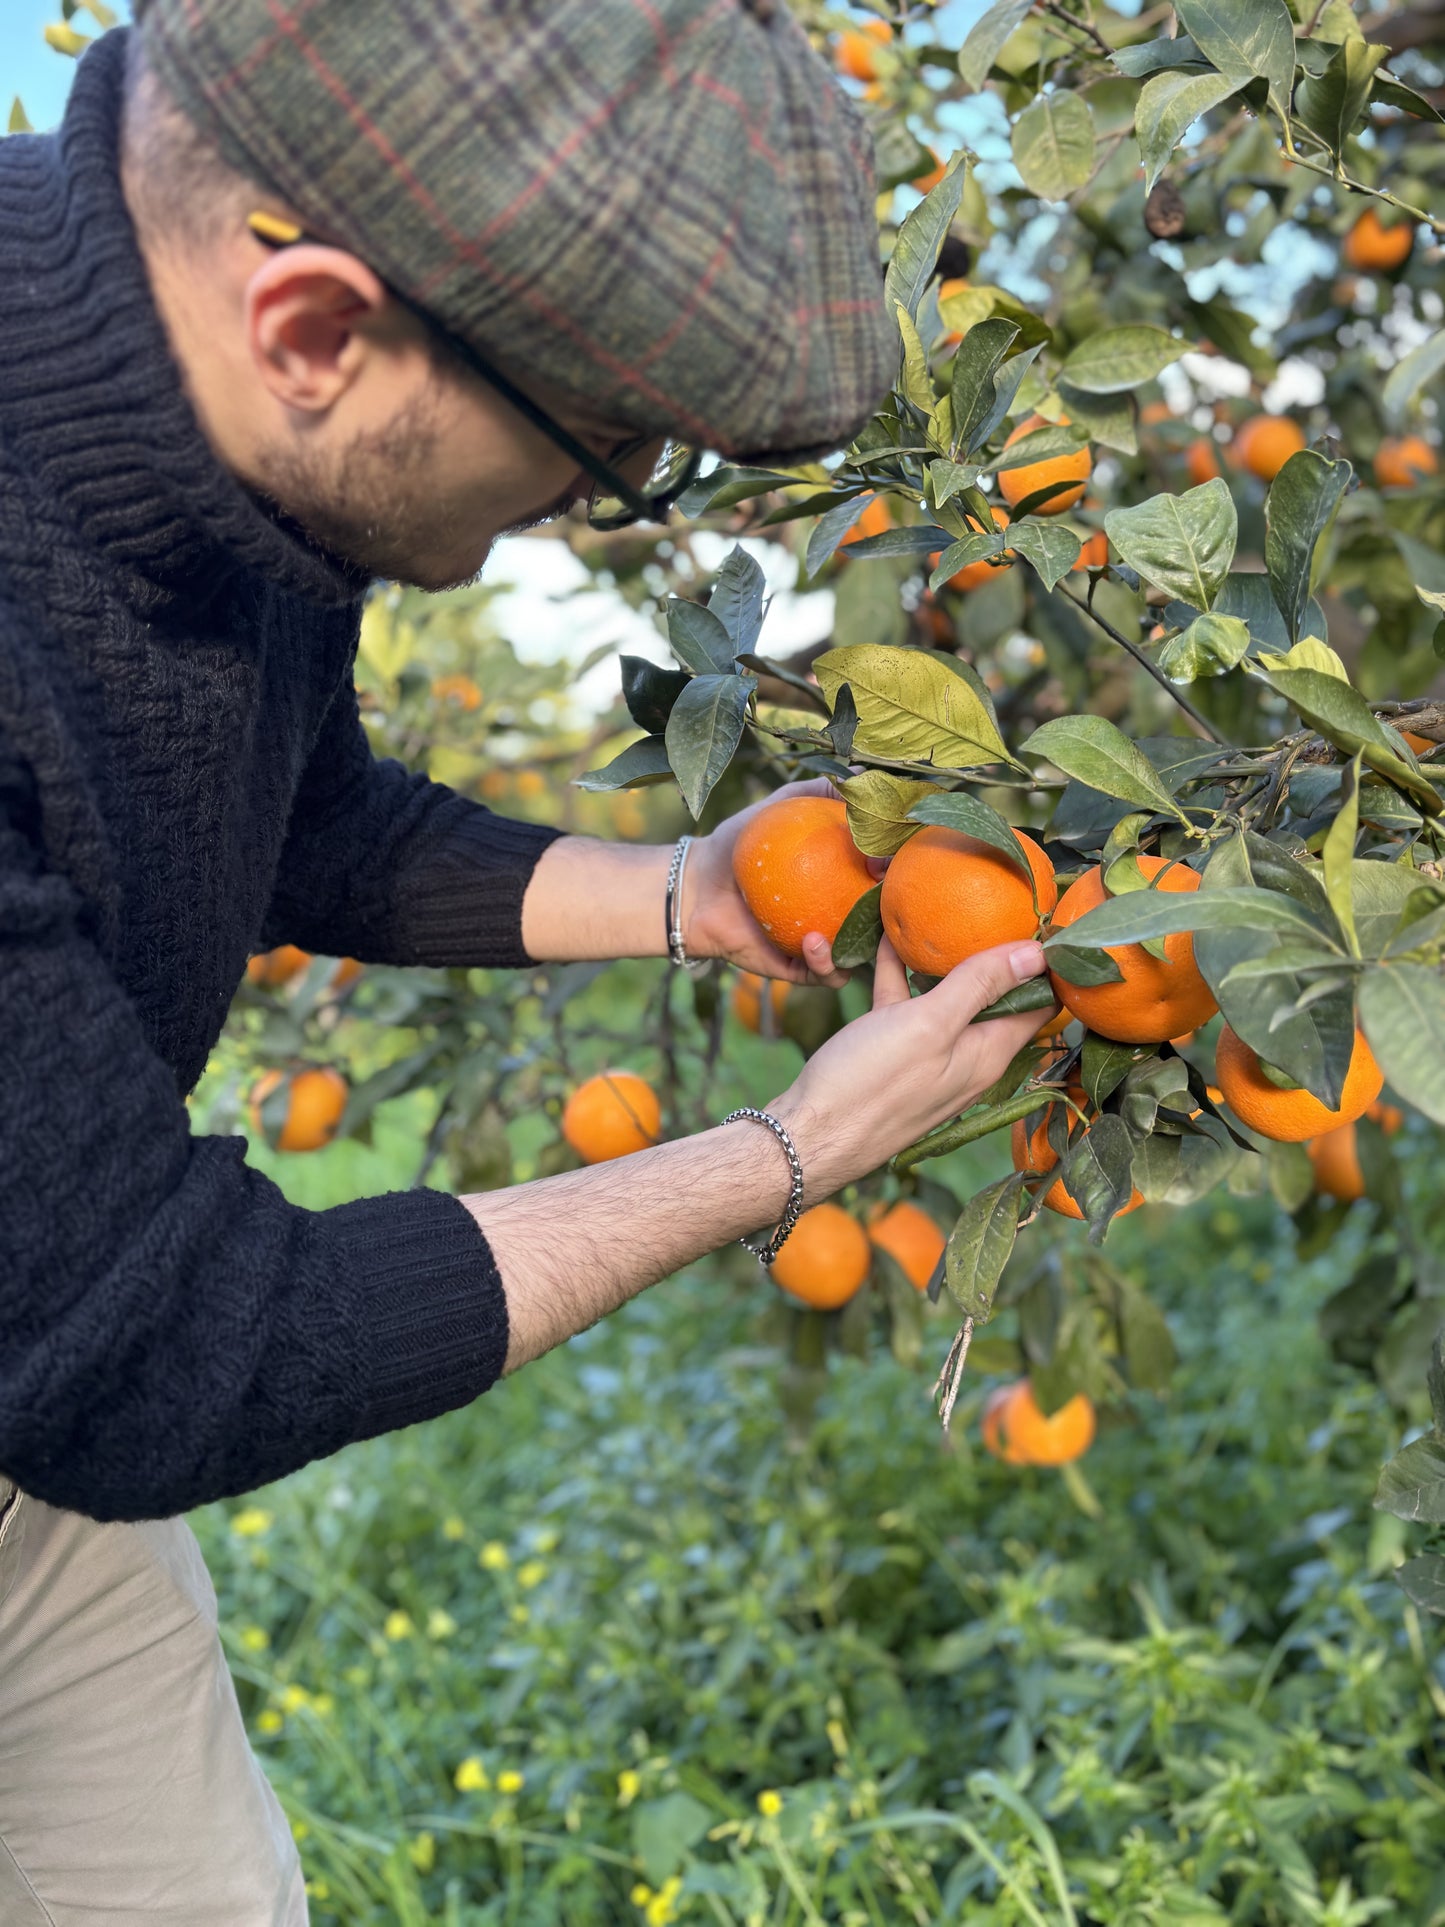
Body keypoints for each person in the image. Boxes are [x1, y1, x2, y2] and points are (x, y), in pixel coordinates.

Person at [0, 3, 1050, 1918]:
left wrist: (684, 891)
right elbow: (159, 1345)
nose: (580, 508)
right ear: (316, 328)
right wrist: (783, 1157)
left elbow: (298, 819)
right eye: (600, 451)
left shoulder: (216, 442)